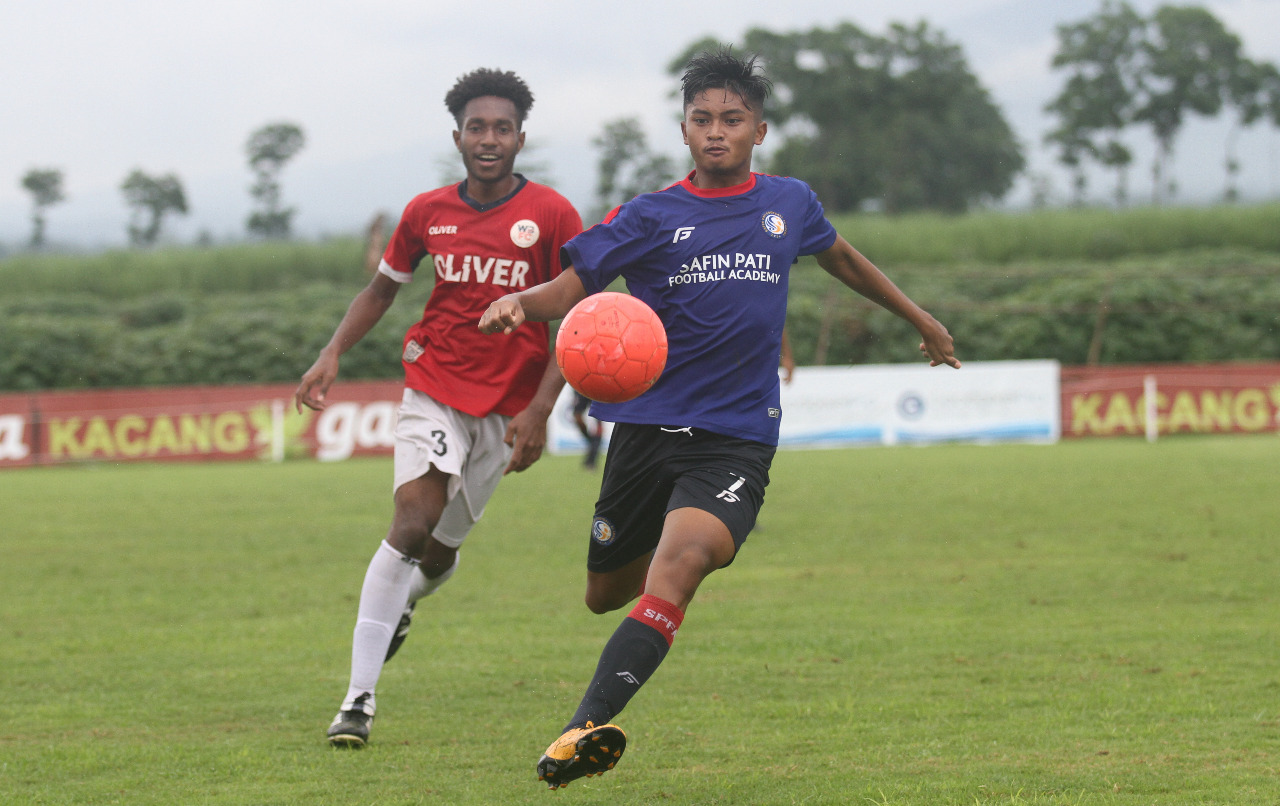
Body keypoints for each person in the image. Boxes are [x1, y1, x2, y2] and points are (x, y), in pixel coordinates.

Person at [479, 47, 960, 789]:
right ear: (684, 130)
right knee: (605, 594)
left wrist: (918, 315)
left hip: (734, 439)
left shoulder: (790, 204)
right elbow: (576, 282)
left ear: (758, 131)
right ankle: (624, 624)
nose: (716, 131)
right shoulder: (650, 215)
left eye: (732, 119)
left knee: (684, 563)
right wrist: (523, 301)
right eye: (702, 119)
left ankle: (581, 729)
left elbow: (845, 260)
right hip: (644, 431)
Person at [295, 68, 582, 748]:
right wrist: (332, 351)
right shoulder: (427, 211)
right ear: (457, 136)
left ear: (520, 138)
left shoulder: (552, 215)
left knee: (440, 553)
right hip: (435, 386)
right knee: (411, 521)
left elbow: (579, 315)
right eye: (476, 128)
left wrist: (541, 408)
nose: (489, 139)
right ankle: (358, 702)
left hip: (506, 410)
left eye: (502, 128)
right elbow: (381, 290)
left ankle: (402, 606)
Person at [571, 390, 604, 469]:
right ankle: (592, 443)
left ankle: (591, 461)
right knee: (577, 417)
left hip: (596, 389)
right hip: (580, 388)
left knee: (598, 422)